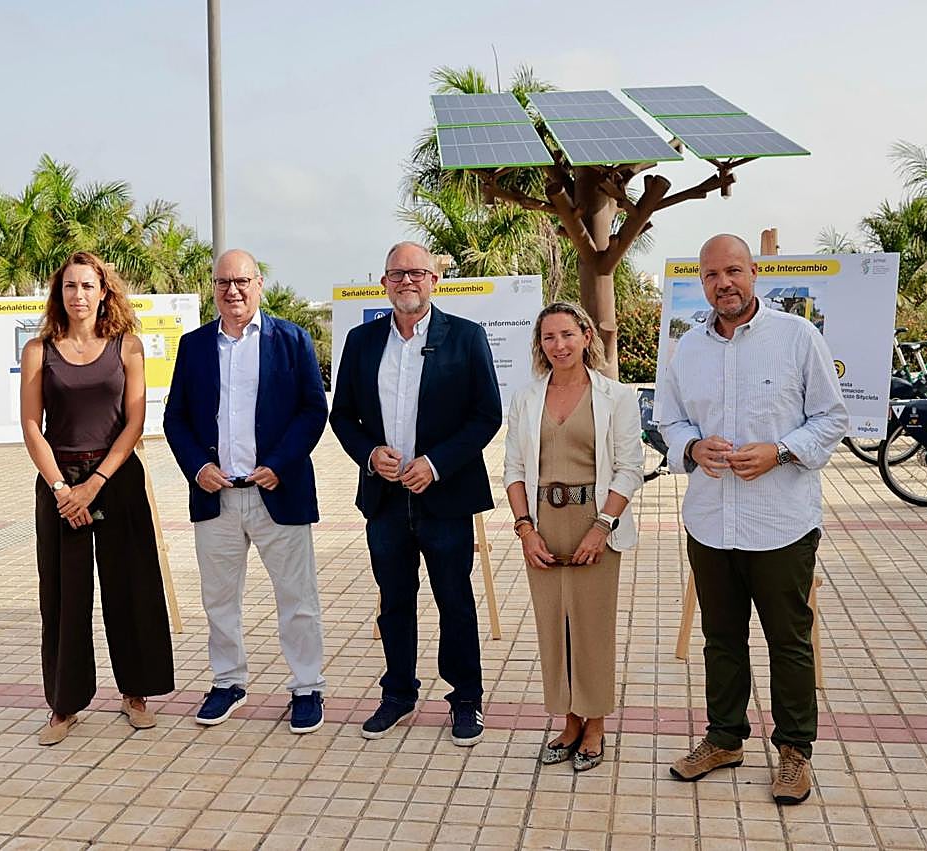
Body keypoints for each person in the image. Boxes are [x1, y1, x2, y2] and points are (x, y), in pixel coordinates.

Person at [655, 234, 848, 804]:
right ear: (702, 282)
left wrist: (780, 451)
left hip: (780, 522)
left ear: (755, 272)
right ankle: (724, 737)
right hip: (711, 520)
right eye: (712, 275)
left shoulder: (797, 337)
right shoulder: (686, 349)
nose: (723, 284)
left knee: (788, 640)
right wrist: (692, 449)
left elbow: (831, 418)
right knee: (721, 637)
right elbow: (668, 421)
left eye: (733, 271)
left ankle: (794, 751)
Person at [329, 241, 501, 747]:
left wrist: (436, 464)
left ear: (434, 281)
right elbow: (342, 416)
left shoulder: (465, 337)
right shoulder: (361, 342)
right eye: (397, 274)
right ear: (383, 282)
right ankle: (398, 693)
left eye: (417, 273)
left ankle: (466, 698)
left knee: (455, 600)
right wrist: (369, 454)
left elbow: (486, 415)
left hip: (444, 499)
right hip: (384, 501)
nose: (407, 282)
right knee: (394, 604)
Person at [163, 248, 328, 734]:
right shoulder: (193, 346)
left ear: (259, 284)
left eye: (241, 281)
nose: (232, 291)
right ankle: (228, 681)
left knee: (298, 598)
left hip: (278, 491)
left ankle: (306, 687)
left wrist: (279, 464)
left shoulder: (291, 339)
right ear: (213, 288)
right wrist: (198, 468)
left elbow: (312, 411)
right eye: (222, 282)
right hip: (216, 496)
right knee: (218, 600)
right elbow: (176, 418)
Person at [19, 251, 175, 746]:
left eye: (87, 286)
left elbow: (134, 422)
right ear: (58, 293)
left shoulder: (127, 346)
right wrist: (63, 488)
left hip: (117, 476)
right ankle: (63, 706)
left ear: (103, 291)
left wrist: (97, 482)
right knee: (63, 596)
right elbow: (30, 424)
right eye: (70, 287)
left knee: (131, 586)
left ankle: (136, 693)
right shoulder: (38, 350)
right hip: (59, 481)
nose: (78, 295)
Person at [503, 302, 643, 771]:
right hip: (542, 520)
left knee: (592, 626)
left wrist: (603, 526)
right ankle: (568, 720)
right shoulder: (526, 398)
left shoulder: (616, 397)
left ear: (586, 336)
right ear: (539, 345)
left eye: (567, 334)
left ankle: (596, 722)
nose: (558, 345)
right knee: (552, 626)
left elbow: (630, 467)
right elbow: (514, 468)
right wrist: (524, 528)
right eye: (548, 337)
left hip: (595, 519)